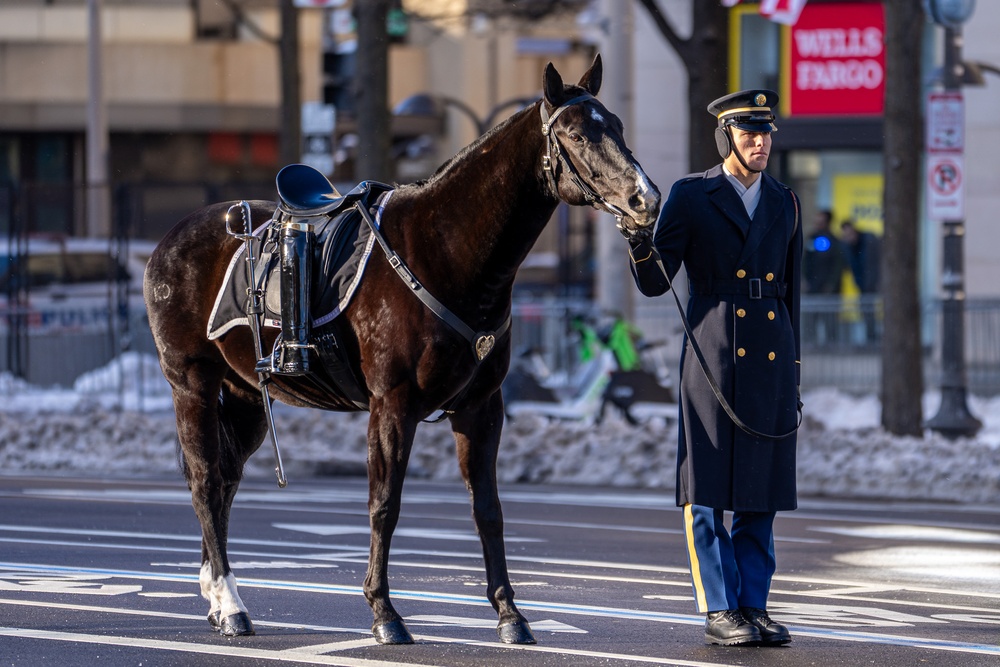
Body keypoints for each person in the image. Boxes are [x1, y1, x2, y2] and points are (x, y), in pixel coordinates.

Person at [624, 89, 800, 647]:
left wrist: (794, 372)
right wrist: (639, 243)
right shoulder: (692, 196)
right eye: (749, 133)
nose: (760, 143)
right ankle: (719, 608)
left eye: (766, 133)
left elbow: (793, 291)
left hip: (771, 352)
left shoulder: (785, 202)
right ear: (726, 137)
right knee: (706, 487)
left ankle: (754, 603)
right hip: (712, 349)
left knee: (760, 491)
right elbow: (657, 284)